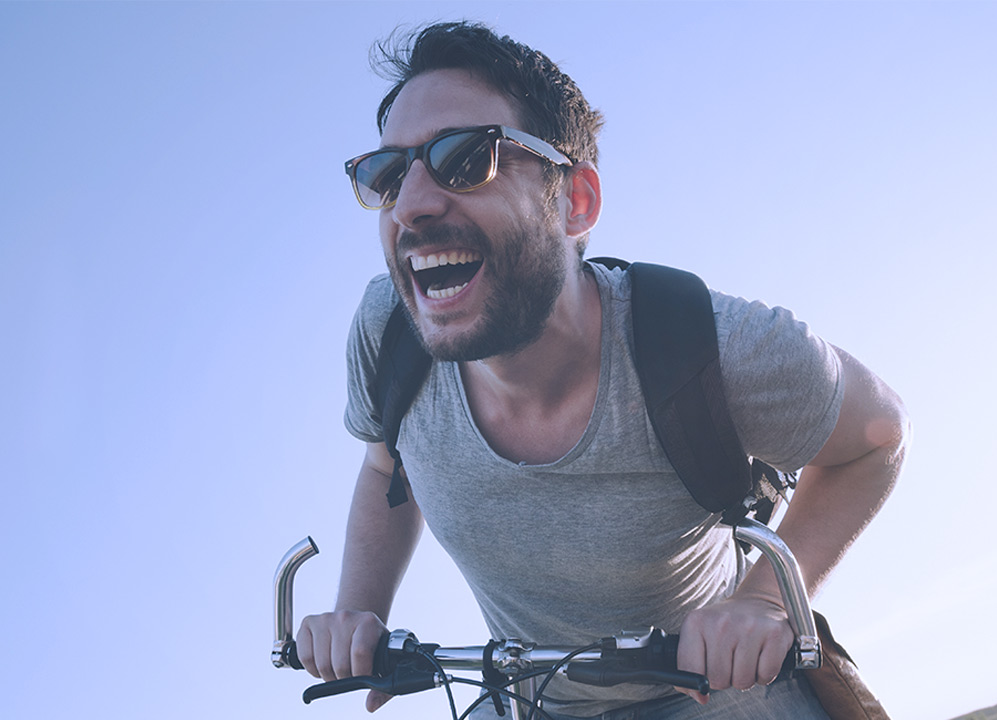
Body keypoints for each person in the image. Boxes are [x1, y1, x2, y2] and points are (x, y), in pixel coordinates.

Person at [298, 21, 910, 720]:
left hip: (716, 691)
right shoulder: (389, 333)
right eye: (386, 175)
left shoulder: (709, 344)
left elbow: (878, 435)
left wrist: (764, 601)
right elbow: (386, 469)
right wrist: (357, 612)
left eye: (466, 159)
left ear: (576, 203)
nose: (409, 206)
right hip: (528, 701)